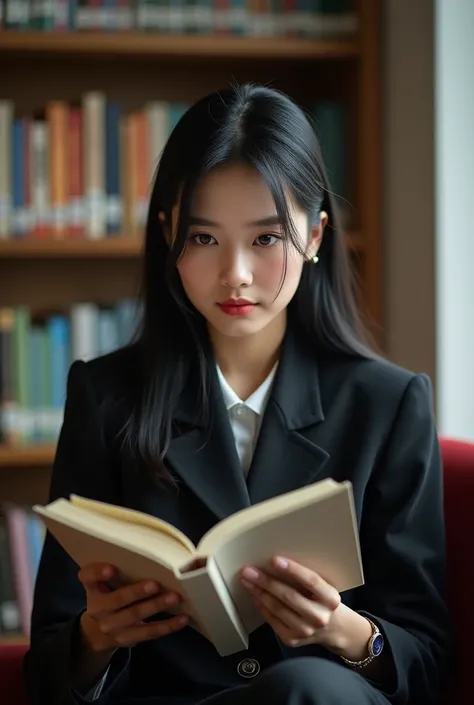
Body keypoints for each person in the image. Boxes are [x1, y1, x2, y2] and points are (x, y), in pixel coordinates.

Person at [23, 83, 452, 705]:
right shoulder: (107, 397)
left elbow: (427, 659)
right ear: (168, 234)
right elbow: (47, 666)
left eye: (267, 238)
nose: (236, 274)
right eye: (202, 239)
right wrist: (97, 637)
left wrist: (346, 631)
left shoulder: (387, 405)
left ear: (315, 237)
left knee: (308, 686)